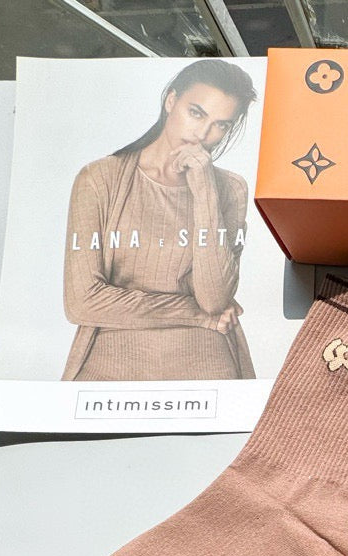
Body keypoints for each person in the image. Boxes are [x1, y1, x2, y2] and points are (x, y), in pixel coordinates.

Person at [62, 59, 257, 381]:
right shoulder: (98, 178)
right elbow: (82, 302)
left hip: (206, 357)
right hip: (111, 359)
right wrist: (194, 313)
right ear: (171, 100)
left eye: (221, 125)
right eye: (196, 113)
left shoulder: (230, 189)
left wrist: (205, 190)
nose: (202, 134)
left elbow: (214, 299)